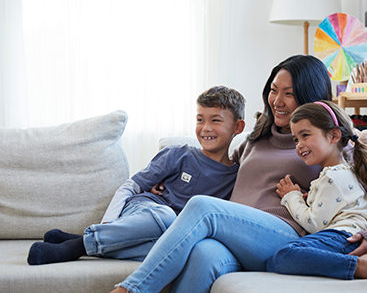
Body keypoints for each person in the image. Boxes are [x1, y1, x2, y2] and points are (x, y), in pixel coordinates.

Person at [109, 55, 367, 293]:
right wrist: (169, 183)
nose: (277, 101)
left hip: (282, 236)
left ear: (309, 97)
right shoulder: (255, 138)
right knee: (202, 253)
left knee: (204, 207)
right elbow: (218, 173)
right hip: (233, 236)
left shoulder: (323, 141)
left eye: (289, 93)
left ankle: (130, 289)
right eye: (273, 90)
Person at [27, 85, 246, 265]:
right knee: (167, 217)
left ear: (238, 127)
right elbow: (130, 187)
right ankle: (76, 247)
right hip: (145, 211)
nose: (205, 128)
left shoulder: (236, 177)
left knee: (181, 250)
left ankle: (80, 240)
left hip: (170, 235)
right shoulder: (178, 155)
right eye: (200, 119)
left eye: (215, 120)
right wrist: (108, 223)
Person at [266, 101, 367, 280]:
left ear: (334, 135)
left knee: (282, 255)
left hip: (342, 237)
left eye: (305, 135)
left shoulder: (332, 177)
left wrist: (291, 197)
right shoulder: (344, 172)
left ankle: (357, 266)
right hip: (345, 236)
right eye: (296, 139)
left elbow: (314, 224)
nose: (299, 145)